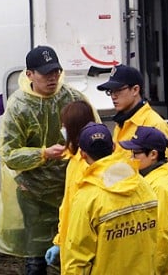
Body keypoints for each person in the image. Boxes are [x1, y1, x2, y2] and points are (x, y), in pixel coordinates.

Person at [0, 46, 89, 275]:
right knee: (36, 257)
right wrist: (43, 154)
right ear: (30, 74)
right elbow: (9, 154)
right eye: (46, 73)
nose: (53, 78)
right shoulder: (19, 106)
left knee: (73, 252)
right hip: (33, 193)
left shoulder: (72, 98)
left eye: (56, 72)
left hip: (69, 189)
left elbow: (92, 136)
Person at [60, 122, 159, 274]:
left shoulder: (86, 197)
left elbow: (77, 258)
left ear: (83, 154)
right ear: (113, 147)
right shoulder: (141, 183)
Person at [120, 126, 168, 274]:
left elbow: (161, 237)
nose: (131, 159)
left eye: (136, 154)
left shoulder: (160, 188)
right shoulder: (151, 180)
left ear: (153, 154)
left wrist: (152, 271)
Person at [44, 100, 98, 268]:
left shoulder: (85, 163)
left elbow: (78, 210)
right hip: (72, 240)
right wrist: (60, 241)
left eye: (64, 125)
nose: (62, 129)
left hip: (80, 245)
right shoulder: (75, 158)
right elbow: (67, 205)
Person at [96, 64, 168, 158]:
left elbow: (160, 165)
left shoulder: (155, 125)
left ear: (135, 90)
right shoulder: (121, 122)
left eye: (118, 90)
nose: (113, 96)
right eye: (110, 91)